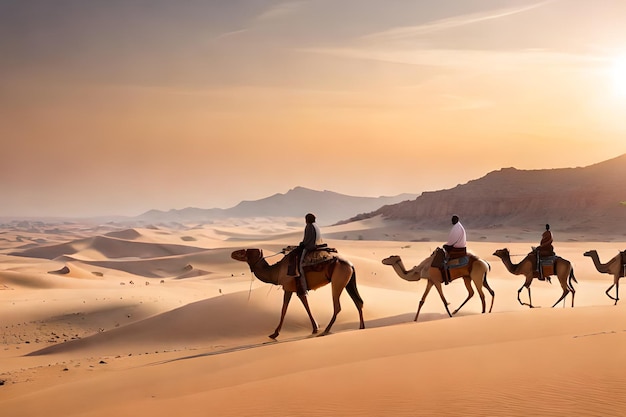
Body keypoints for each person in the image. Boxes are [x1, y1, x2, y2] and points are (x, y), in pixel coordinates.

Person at [287, 213, 323, 296]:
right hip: (315, 245)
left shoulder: (309, 226)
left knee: (299, 264)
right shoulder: (316, 226)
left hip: (310, 247)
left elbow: (307, 240)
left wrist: (302, 244)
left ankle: (302, 284)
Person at [441, 215, 466, 285]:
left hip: (457, 247)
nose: (452, 221)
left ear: (456, 220)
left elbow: (452, 240)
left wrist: (447, 245)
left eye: (453, 220)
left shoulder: (457, 228)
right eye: (452, 220)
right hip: (459, 245)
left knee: (444, 261)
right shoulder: (457, 226)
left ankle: (446, 277)